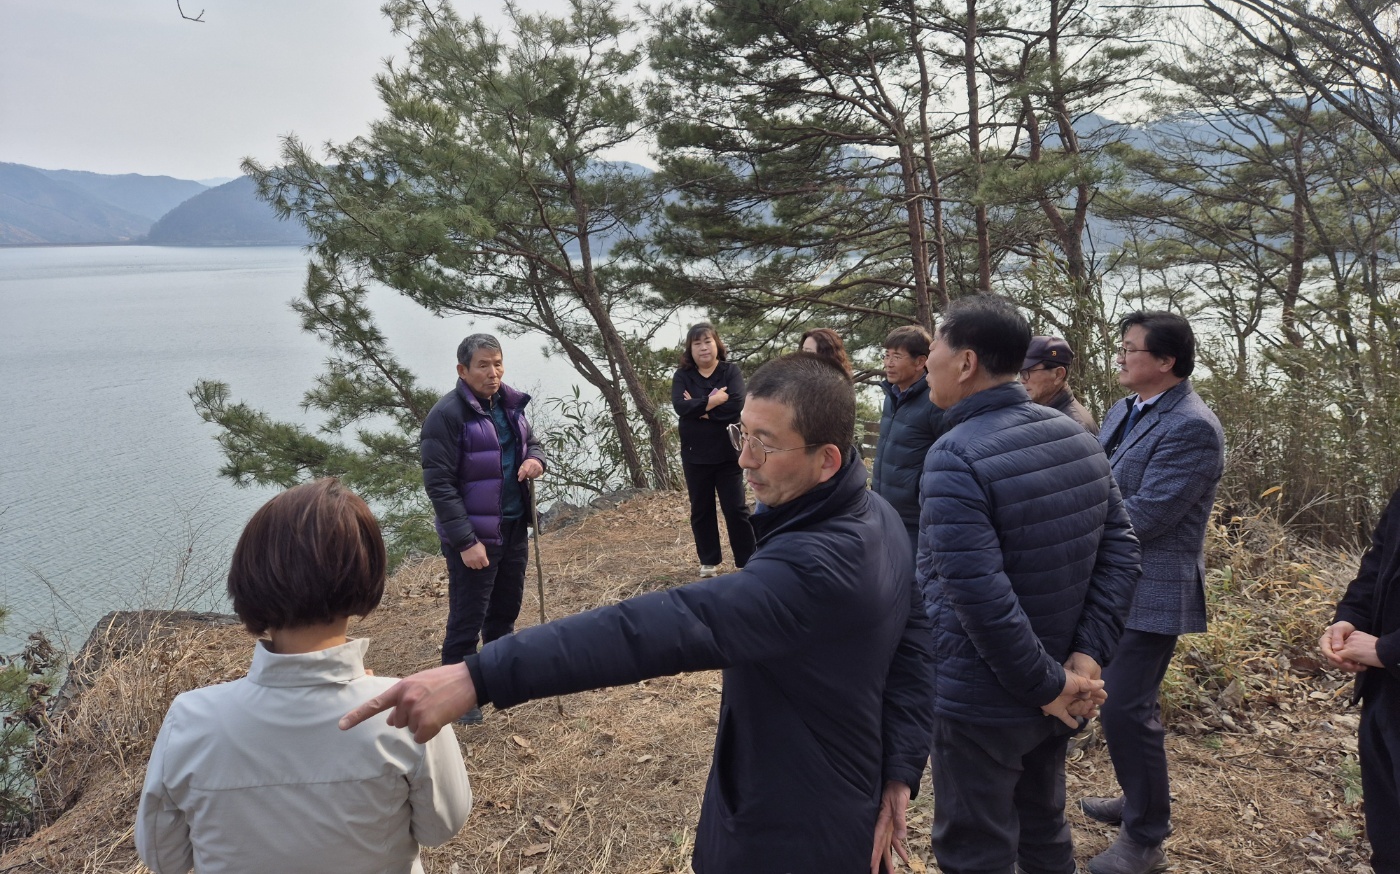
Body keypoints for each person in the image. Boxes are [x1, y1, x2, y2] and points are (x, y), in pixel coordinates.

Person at [343, 353, 936, 874]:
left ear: (827, 460)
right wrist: (900, 767)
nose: (745, 459)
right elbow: (915, 638)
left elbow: (660, 627)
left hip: (789, 827)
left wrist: (478, 675)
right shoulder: (874, 514)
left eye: (767, 445)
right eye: (743, 435)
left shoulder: (814, 569)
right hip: (839, 788)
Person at [136, 479, 472, 874]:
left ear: (247, 576)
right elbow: (441, 828)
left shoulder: (190, 719)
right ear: (367, 575)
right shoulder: (406, 709)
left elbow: (164, 858)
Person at [917, 293, 1141, 874]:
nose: (925, 361)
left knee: (976, 846)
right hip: (1058, 685)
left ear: (966, 362)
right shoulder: (1074, 435)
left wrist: (1052, 684)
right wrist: (1084, 662)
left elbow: (977, 597)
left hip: (983, 697)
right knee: (1043, 828)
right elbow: (1122, 552)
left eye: (935, 347)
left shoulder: (954, 456)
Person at [1081, 310, 1225, 874]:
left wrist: (1073, 526)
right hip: (1115, 584)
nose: (1120, 356)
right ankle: (1137, 800)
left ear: (1165, 361)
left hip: (1154, 590)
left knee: (1125, 708)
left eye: (1131, 348)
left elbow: (1148, 515)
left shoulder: (1192, 426)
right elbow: (1095, 474)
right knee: (1118, 706)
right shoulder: (1125, 408)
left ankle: (1146, 836)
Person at [421, 333, 546, 722]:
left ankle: (497, 677)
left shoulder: (510, 405)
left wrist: (536, 461)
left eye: (498, 363)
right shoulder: (446, 415)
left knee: (506, 608)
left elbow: (533, 443)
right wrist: (465, 541)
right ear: (463, 370)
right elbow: (438, 484)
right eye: (483, 365)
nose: (493, 373)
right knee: (467, 616)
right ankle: (457, 696)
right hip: (474, 537)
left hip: (512, 527)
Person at [1322, 484, 1400, 872]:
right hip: (1385, 696)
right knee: (1389, 840)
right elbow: (1381, 561)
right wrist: (1349, 620)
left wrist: (1388, 650)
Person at [671, 322, 754, 576]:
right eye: (697, 344)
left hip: (728, 452)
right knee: (701, 508)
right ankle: (709, 561)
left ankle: (747, 560)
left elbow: (736, 407)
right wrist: (715, 401)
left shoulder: (730, 372)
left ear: (717, 344)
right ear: (690, 349)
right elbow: (680, 408)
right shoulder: (683, 376)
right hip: (695, 453)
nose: (703, 348)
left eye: (707, 341)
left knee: (735, 508)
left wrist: (700, 409)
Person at [872, 325, 944, 555]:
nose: (888, 363)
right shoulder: (891, 396)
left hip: (915, 519)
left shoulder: (935, 401)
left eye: (897, 356)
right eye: (886, 355)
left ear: (920, 362)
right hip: (883, 510)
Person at [1020, 334, 1099, 435]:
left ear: (1058, 375)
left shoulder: (1074, 427)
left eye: (1028, 372)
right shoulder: (1042, 414)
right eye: (1020, 373)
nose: (1022, 380)